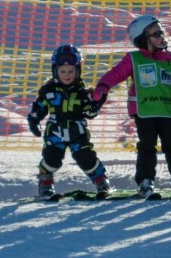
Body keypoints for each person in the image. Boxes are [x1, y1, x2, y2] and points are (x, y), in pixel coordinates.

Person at [91, 15, 171, 199]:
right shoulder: (134, 59)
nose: (161, 36)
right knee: (147, 146)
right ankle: (145, 181)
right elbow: (116, 74)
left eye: (161, 31)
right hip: (144, 111)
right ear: (142, 39)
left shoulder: (170, 59)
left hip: (165, 111)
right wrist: (103, 87)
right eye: (155, 34)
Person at [27, 44, 110, 199]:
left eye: (71, 71)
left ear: (77, 71)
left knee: (86, 158)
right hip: (55, 132)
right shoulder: (48, 91)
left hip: (77, 131)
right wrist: (34, 119)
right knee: (52, 159)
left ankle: (102, 183)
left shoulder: (82, 92)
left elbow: (89, 113)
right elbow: (39, 107)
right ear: (55, 71)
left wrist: (96, 104)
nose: (67, 75)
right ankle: (45, 185)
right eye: (63, 71)